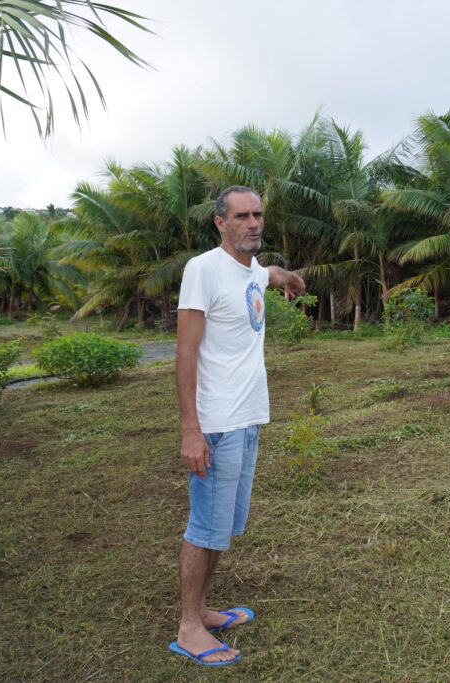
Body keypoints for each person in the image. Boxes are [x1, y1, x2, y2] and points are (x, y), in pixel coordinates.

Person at [169, 185, 305, 667]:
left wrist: (291, 278)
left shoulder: (250, 270)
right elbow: (185, 354)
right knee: (205, 527)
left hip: (249, 417)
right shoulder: (202, 270)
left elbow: (268, 274)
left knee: (224, 527)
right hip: (217, 423)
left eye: (258, 215)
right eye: (242, 216)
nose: (253, 224)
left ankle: (203, 609)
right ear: (220, 223)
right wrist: (191, 430)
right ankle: (188, 627)